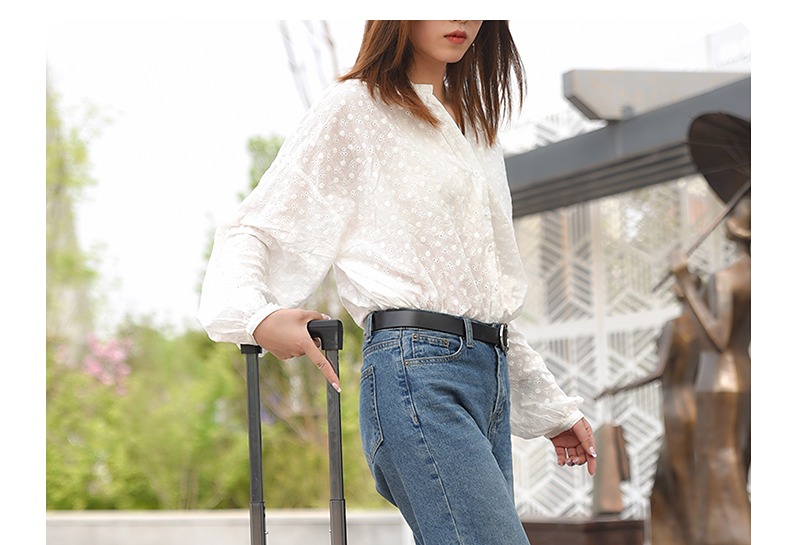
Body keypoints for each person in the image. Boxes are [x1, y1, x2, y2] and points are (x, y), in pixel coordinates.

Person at [199, 20, 596, 545]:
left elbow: (483, 295)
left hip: (488, 375)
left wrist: (549, 407)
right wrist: (256, 317)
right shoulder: (356, 108)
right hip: (416, 372)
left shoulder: (476, 127)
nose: (461, 16)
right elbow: (255, 228)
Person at [596, 274, 702, 544]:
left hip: (676, 408)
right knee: (670, 483)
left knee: (680, 484)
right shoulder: (702, 328)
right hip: (694, 406)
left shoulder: (676, 325)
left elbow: (659, 371)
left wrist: (616, 389)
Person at [670, 193, 751, 545]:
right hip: (744, 372)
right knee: (736, 469)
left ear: (733, 229)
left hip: (717, 378)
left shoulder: (726, 278)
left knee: (717, 467)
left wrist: (687, 285)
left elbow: (717, 338)